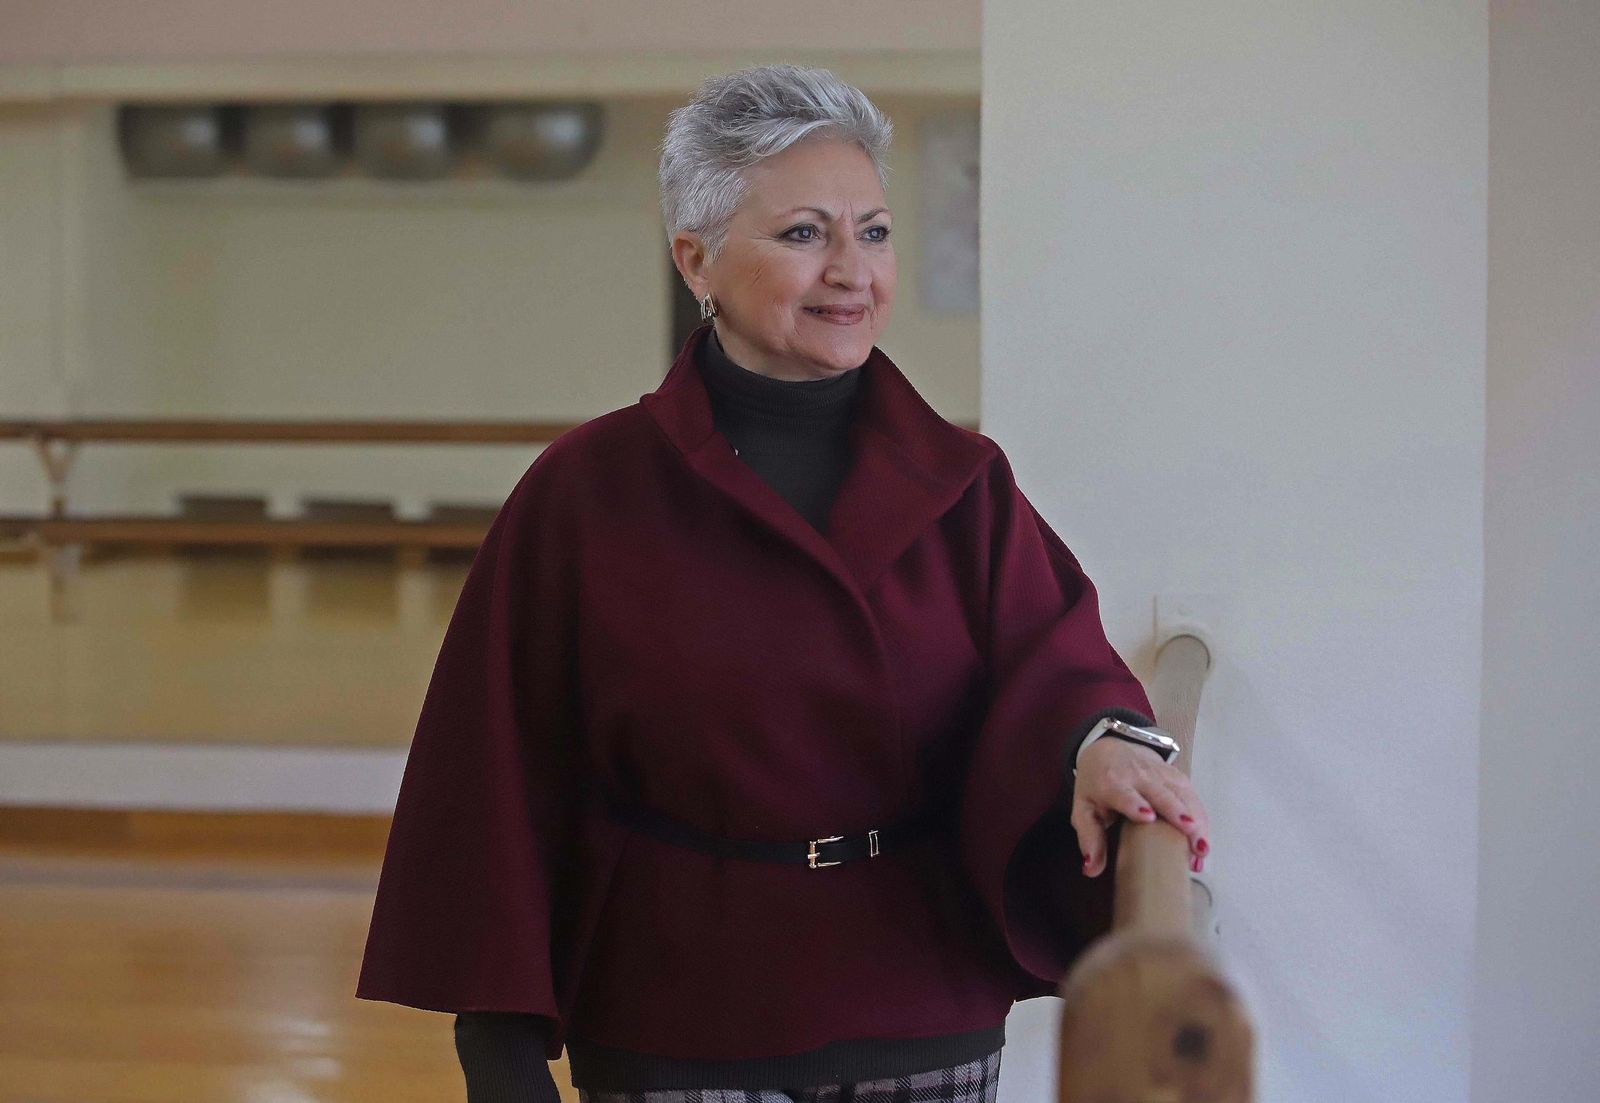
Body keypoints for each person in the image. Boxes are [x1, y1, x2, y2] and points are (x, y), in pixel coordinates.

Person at [356, 64, 1211, 1103]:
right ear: (696, 260)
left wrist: (1104, 740)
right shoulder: (584, 492)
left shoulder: (962, 481)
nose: (851, 270)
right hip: (677, 998)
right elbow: (497, 774)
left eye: (875, 231)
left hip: (917, 990)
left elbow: (1053, 657)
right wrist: (496, 1041)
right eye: (805, 233)